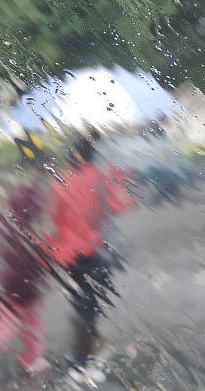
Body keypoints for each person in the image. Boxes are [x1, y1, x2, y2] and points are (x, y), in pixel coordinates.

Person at [44, 137, 134, 375]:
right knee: (90, 303)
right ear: (92, 154)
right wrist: (121, 181)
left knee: (82, 300)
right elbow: (117, 207)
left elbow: (56, 218)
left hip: (67, 252)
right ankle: (80, 359)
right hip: (94, 249)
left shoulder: (60, 181)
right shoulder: (99, 176)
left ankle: (83, 351)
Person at [0, 184, 51, 373]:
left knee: (28, 323)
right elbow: (39, 258)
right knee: (6, 324)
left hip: (19, 284)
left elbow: (4, 250)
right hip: (22, 286)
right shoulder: (31, 234)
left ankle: (33, 358)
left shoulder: (12, 227)